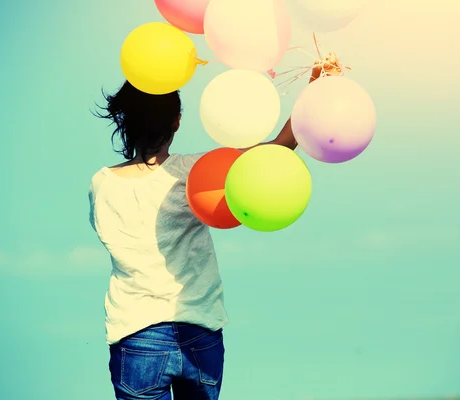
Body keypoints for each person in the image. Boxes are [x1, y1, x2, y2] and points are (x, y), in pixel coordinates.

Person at [88, 59, 337, 400]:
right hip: (200, 329)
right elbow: (278, 148)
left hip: (136, 334)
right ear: (176, 121)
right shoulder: (195, 172)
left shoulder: (101, 185)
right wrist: (314, 88)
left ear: (125, 120)